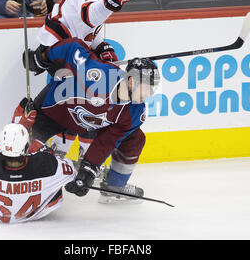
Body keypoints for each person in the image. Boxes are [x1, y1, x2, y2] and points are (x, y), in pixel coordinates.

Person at [32, 0, 142, 164]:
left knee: (78, 101)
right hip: (59, 53)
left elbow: (88, 28)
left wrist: (100, 46)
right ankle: (60, 152)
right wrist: (113, 2)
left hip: (67, 51)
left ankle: (61, 150)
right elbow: (89, 16)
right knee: (85, 100)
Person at [14, 38, 160, 201]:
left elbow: (107, 141)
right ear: (132, 82)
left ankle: (114, 186)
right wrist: (42, 58)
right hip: (52, 113)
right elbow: (72, 47)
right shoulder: (98, 74)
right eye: (148, 88)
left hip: (86, 125)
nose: (149, 94)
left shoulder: (135, 112)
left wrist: (88, 170)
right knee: (23, 153)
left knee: (136, 138)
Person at [0, 123, 75, 223]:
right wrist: (48, 154)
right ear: (26, 147)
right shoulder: (45, 164)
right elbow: (71, 169)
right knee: (55, 179)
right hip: (35, 214)